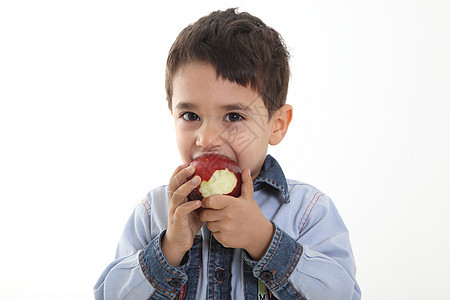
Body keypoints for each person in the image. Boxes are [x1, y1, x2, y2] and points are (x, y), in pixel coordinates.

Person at [94, 8, 361, 299]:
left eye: (233, 116)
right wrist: (169, 248)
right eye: (190, 115)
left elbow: (342, 293)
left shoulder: (308, 210)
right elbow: (109, 294)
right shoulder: (154, 212)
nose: (206, 139)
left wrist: (264, 240)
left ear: (277, 124)